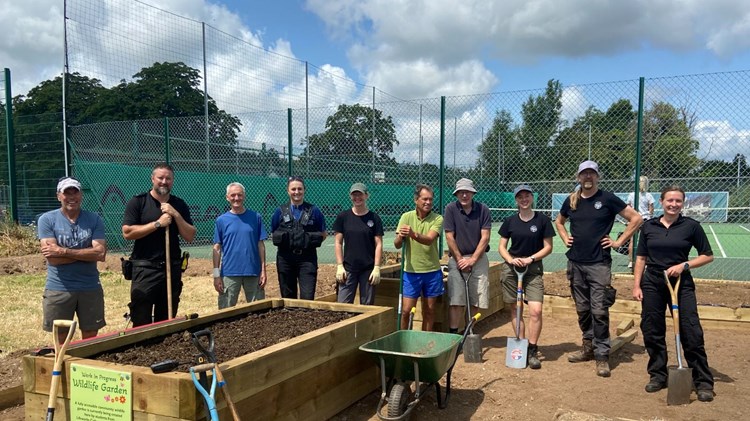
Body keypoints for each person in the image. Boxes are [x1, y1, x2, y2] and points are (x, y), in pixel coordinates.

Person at [555, 160, 642, 377]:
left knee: (599, 310)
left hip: (599, 264)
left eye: (591, 174)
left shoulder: (607, 198)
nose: (587, 177)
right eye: (584, 174)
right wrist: (565, 237)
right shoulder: (571, 200)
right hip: (575, 263)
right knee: (582, 309)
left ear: (597, 177)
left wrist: (619, 242)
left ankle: (602, 355)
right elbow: (559, 222)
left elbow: (636, 218)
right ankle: (588, 347)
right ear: (578, 177)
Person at [632, 185, 715, 402]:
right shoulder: (649, 227)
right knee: (652, 328)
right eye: (670, 200)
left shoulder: (691, 227)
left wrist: (684, 265)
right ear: (661, 202)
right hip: (653, 282)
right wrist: (636, 285)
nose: (674, 204)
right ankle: (658, 375)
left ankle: (703, 381)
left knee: (691, 330)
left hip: (681, 283)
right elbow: (641, 258)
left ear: (683, 203)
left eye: (678, 201)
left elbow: (707, 255)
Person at [122, 163, 196, 327]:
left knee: (167, 317)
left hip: (171, 268)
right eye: (160, 178)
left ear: (173, 181)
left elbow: (190, 235)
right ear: (153, 179)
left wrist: (175, 214)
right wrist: (157, 224)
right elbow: (127, 233)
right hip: (145, 269)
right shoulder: (138, 202)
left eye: (168, 178)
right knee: (141, 318)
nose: (164, 181)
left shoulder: (179, 204)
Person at [38, 177, 107, 342]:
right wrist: (86, 255)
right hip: (59, 288)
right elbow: (52, 259)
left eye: (75, 192)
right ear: (58, 196)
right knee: (61, 337)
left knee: (90, 337)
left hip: (89, 287)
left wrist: (63, 251)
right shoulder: (47, 220)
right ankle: (62, 368)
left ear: (81, 195)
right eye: (66, 193)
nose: (71, 197)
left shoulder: (94, 219)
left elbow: (100, 254)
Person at [497, 184, 555, 369]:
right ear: (516, 200)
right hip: (512, 269)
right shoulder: (510, 221)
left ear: (532, 198)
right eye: (520, 197)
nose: (524, 199)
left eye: (527, 196)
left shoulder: (542, 220)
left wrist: (530, 258)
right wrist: (511, 260)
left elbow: (548, 247)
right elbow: (501, 247)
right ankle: (520, 346)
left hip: (533, 269)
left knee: (536, 310)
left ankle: (532, 348)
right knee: (516, 309)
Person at [444, 178, 491, 335]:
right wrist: (460, 260)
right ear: (456, 194)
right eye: (461, 192)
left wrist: (472, 259)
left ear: (473, 193)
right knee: (456, 300)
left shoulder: (483, 209)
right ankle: (453, 335)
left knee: (476, 299)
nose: (464, 195)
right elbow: (449, 236)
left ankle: (468, 333)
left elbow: (485, 237)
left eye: (467, 192)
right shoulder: (450, 209)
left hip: (478, 259)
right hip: (457, 259)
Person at [394, 184, 444, 331]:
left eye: (431, 199)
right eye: (424, 199)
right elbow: (397, 244)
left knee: (429, 310)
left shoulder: (438, 218)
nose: (428, 202)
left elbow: (429, 240)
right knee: (406, 311)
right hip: (411, 272)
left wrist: (412, 234)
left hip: (432, 271)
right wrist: (401, 236)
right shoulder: (406, 217)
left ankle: (424, 341)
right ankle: (403, 339)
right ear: (416, 200)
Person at [212, 182, 267, 309]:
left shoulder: (256, 217)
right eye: (233, 195)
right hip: (229, 273)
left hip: (253, 271)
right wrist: (216, 275)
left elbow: (261, 244)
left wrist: (263, 270)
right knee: (225, 312)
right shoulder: (221, 220)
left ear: (244, 196)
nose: (236, 198)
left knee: (259, 311)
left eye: (239, 195)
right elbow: (217, 248)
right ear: (227, 197)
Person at [271, 176, 327, 300]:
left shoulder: (314, 210)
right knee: (288, 298)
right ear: (288, 191)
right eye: (293, 189)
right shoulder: (279, 211)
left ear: (304, 190)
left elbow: (323, 234)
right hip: (285, 258)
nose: (297, 192)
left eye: (300, 189)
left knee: (307, 297)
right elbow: (274, 232)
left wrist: (306, 242)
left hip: (307, 259)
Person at [332, 183, 384, 305]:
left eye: (360, 194)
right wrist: (340, 265)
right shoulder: (343, 217)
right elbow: (338, 242)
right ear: (350, 196)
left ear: (366, 196)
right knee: (342, 305)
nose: (357, 198)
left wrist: (376, 267)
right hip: (348, 268)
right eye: (354, 195)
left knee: (367, 307)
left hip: (368, 269)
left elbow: (378, 244)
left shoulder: (374, 218)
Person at [626, 176, 655, 270]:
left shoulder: (631, 195)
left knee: (632, 241)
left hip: (634, 219)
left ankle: (631, 261)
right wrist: (649, 215)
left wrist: (629, 219)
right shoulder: (648, 195)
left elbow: (629, 207)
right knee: (645, 241)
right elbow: (651, 209)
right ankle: (645, 261)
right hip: (645, 219)